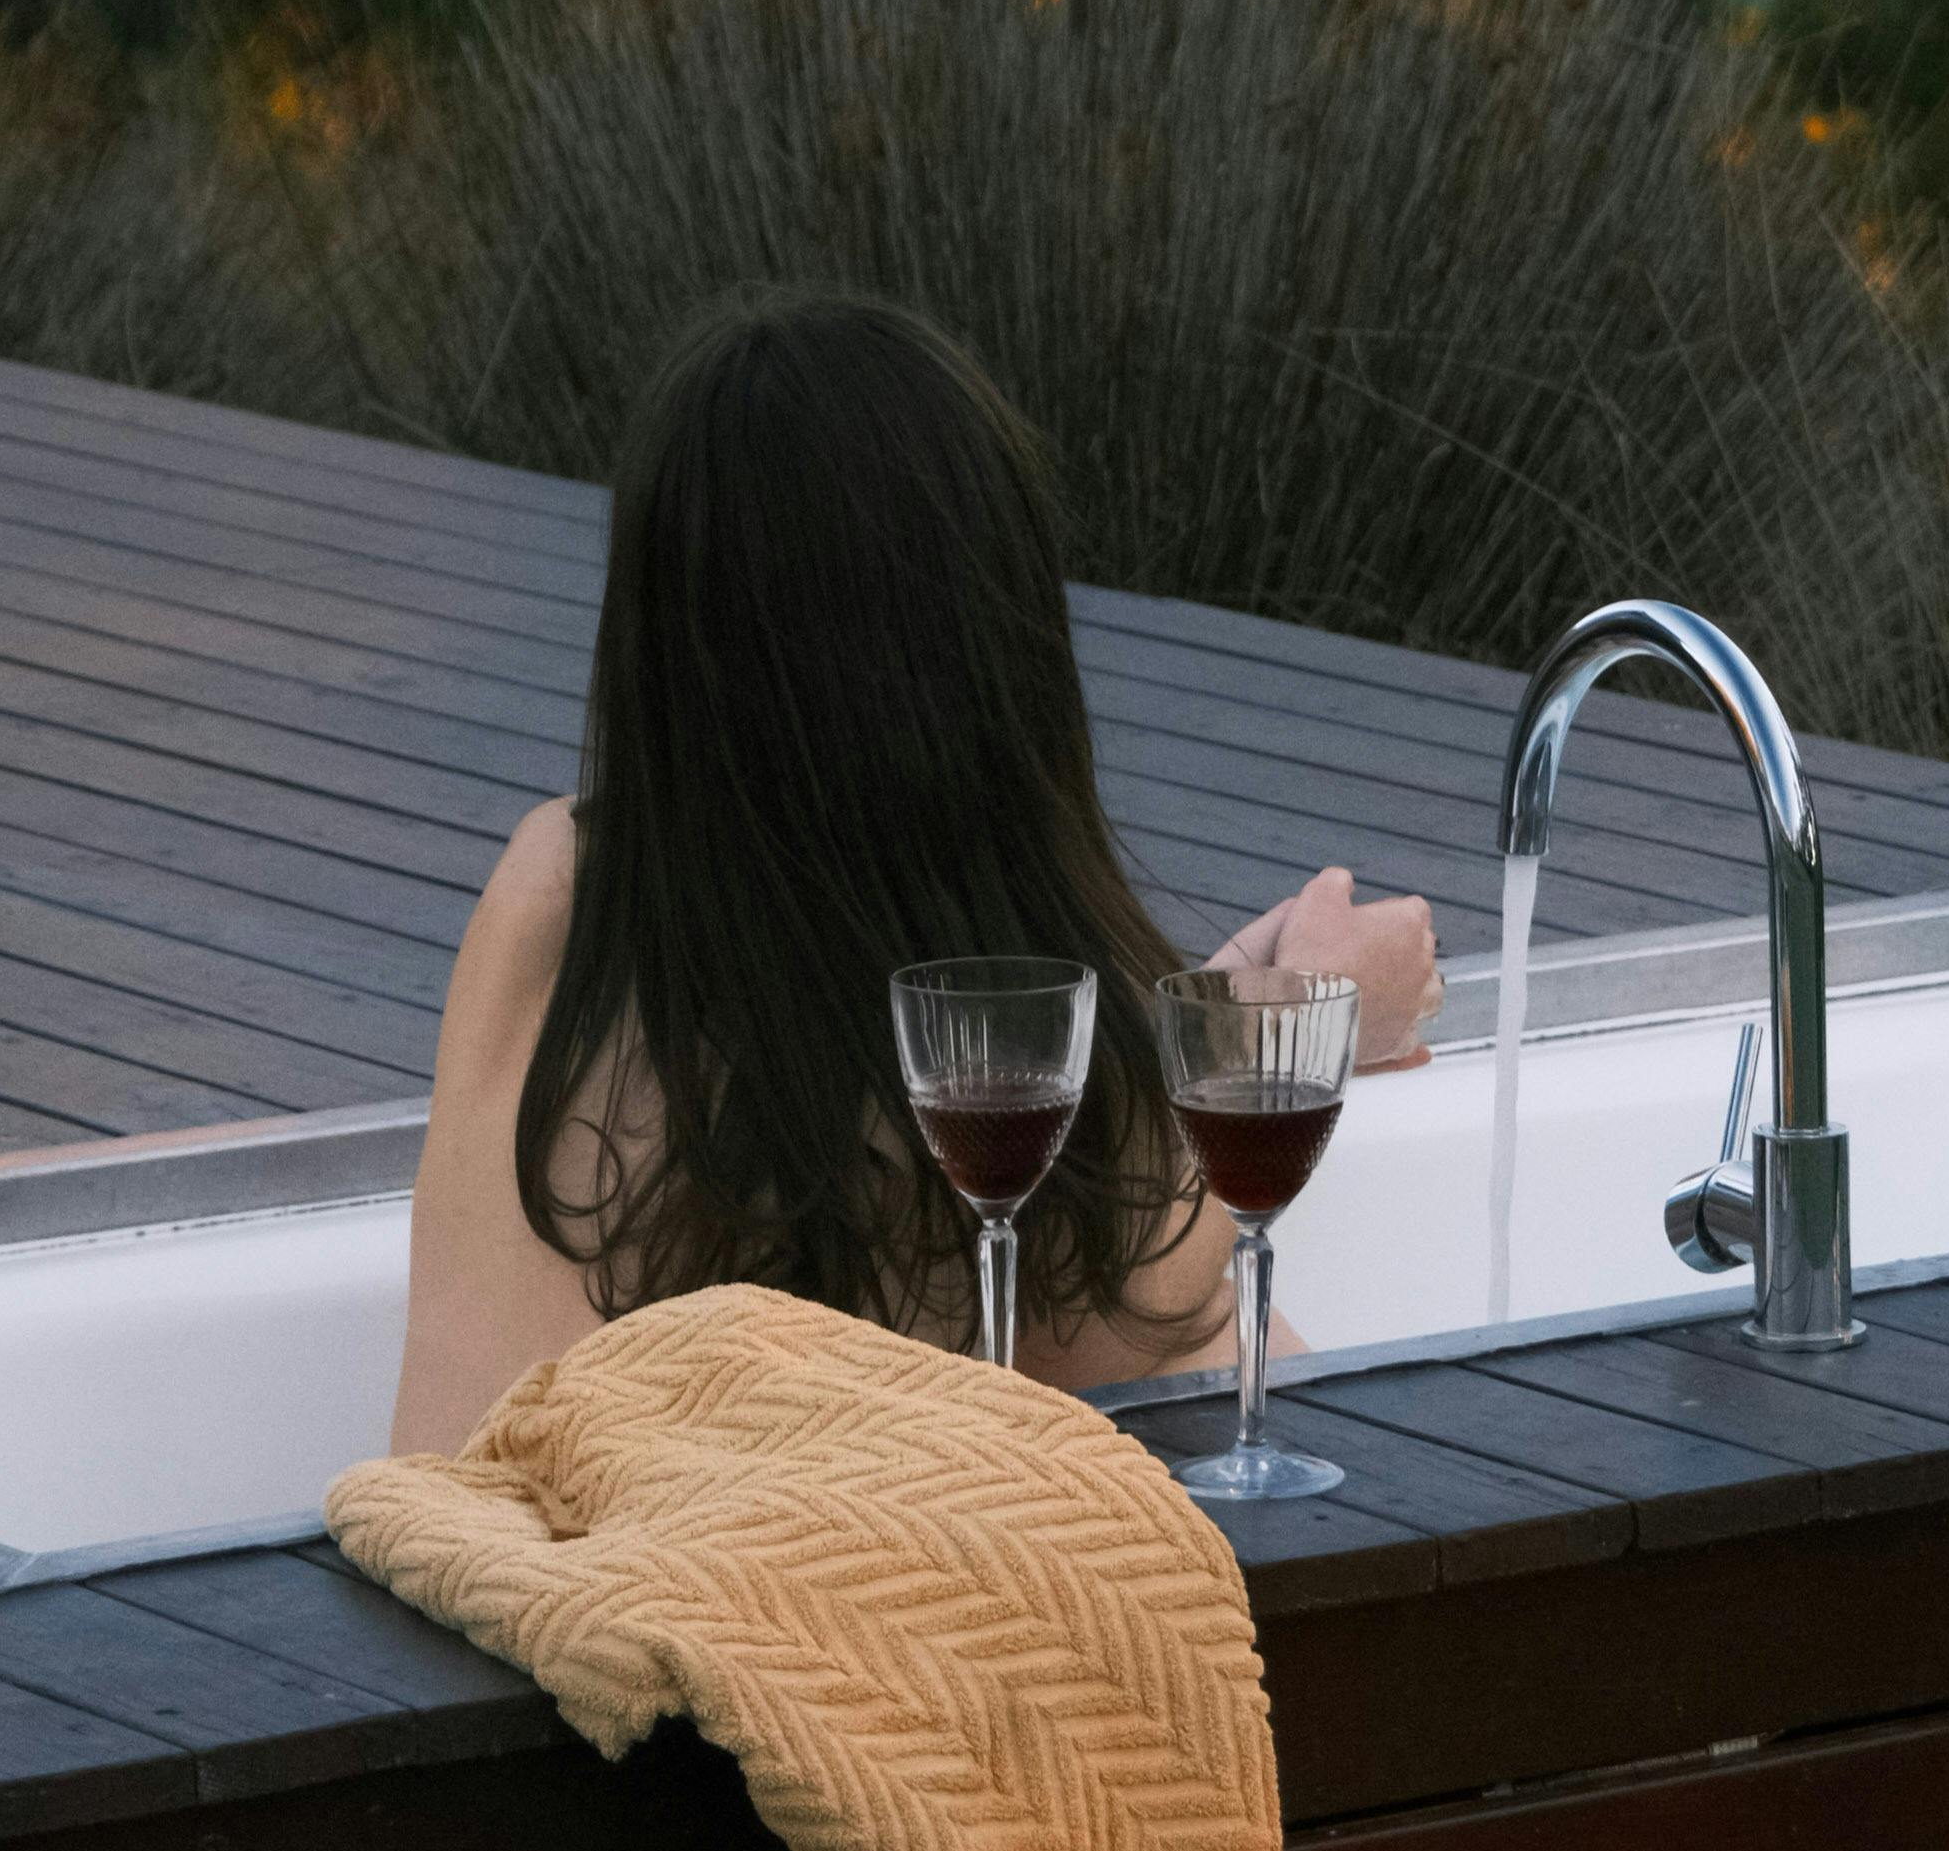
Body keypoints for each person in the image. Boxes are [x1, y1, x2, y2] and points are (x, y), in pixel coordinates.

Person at [389, 292, 1443, 1452]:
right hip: (656, 1614)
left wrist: (1234, 987)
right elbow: (1144, 1284)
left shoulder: (552, 887)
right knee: (1240, 1377)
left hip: (445, 1591)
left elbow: (1052, 1135)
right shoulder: (883, 1125)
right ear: (988, 660)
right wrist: (1320, 1019)